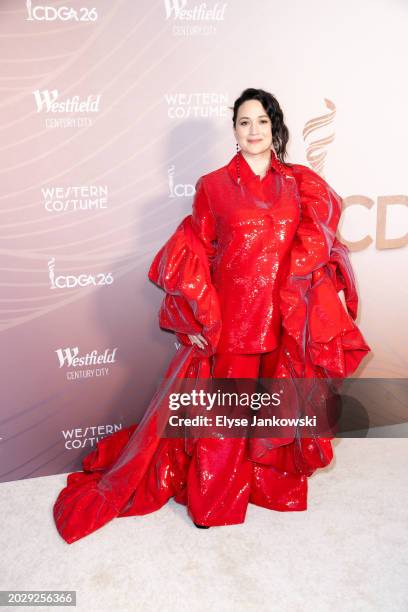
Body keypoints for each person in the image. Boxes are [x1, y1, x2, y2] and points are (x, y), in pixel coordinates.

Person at [53, 88, 371, 543]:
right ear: (235, 130)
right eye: (244, 122)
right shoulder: (213, 185)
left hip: (283, 322)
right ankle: (214, 503)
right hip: (234, 322)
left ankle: (268, 487)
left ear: (275, 127)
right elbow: (195, 252)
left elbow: (318, 251)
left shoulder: (302, 185)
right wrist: (194, 317)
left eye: (262, 121)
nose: (253, 130)